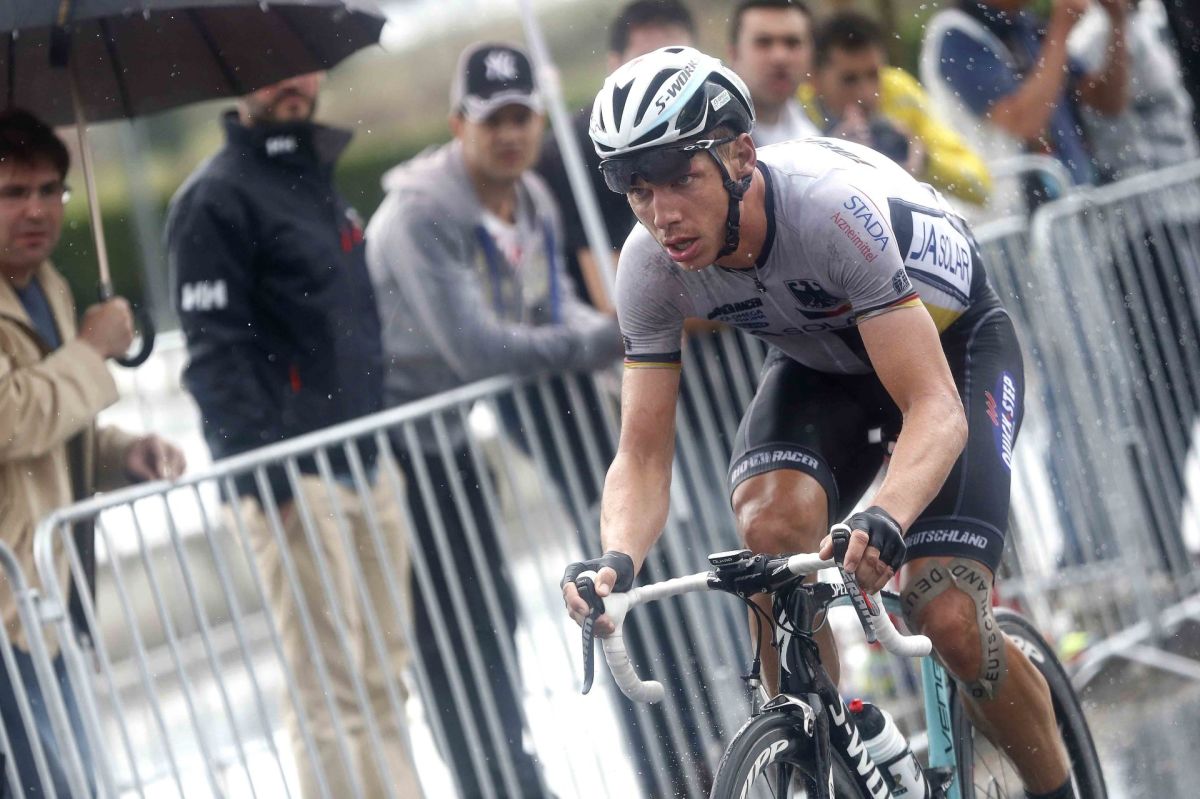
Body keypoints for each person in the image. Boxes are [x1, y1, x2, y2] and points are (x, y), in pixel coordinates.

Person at [563, 47, 1079, 799]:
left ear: (741, 155)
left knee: (945, 612)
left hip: (950, 348)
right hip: (826, 362)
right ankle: (820, 744)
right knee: (769, 534)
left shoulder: (829, 212)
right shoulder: (648, 264)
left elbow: (935, 409)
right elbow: (641, 456)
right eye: (638, 189)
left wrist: (885, 517)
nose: (662, 213)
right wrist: (615, 559)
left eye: (681, 178)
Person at [365, 42, 620, 799]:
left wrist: (617, 328)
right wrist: (603, 338)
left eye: (521, 117)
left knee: (495, 610)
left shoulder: (532, 197)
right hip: (389, 444)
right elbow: (478, 348)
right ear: (457, 125)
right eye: (492, 120)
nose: (509, 134)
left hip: (449, 431)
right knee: (451, 630)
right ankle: (493, 783)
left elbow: (548, 308)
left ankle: (517, 777)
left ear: (539, 121)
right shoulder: (420, 214)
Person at [165, 75, 419, 799]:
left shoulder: (312, 175)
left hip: (365, 462)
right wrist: (266, 480)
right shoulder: (212, 199)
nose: (293, 82)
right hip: (294, 478)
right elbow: (213, 360)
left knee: (385, 677)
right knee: (329, 690)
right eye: (271, 67)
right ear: (235, 75)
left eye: (303, 65)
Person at [0, 109, 186, 798]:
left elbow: (54, 433)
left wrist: (121, 454)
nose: (37, 209)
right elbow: (9, 419)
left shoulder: (45, 283)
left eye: (50, 189)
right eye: (13, 192)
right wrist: (89, 350)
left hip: (49, 595)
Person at [536, 0, 696, 311]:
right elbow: (618, 302)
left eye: (676, 65)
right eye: (645, 64)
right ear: (614, 66)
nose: (662, 83)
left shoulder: (708, 117)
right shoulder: (578, 147)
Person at [921, 0, 1130, 213]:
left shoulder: (1024, 25)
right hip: (1010, 218)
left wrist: (1117, 21)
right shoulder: (956, 35)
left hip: (1071, 207)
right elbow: (1024, 122)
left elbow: (1107, 103)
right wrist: (1061, 28)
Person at [800, 11, 992, 206]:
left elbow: (980, 185)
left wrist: (925, 160)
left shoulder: (898, 91)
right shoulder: (796, 105)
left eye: (874, 75)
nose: (866, 94)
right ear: (813, 80)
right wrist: (831, 155)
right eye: (849, 80)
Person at [727, 0, 820, 146]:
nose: (780, 57)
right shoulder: (706, 138)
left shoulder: (815, 137)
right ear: (734, 54)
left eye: (792, 43)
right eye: (764, 42)